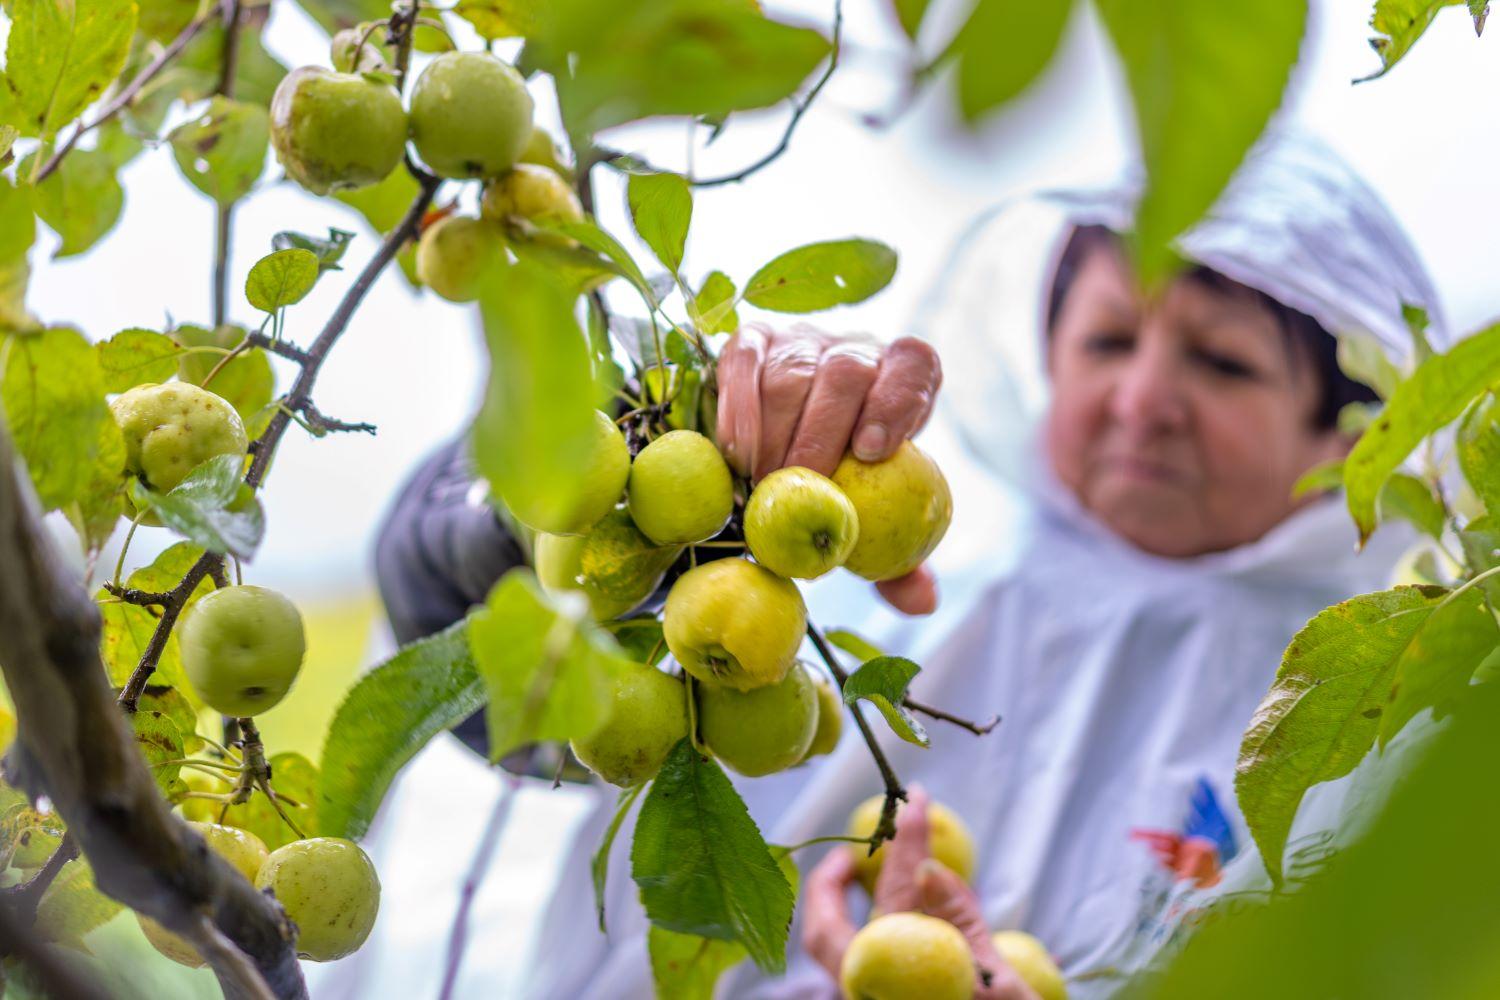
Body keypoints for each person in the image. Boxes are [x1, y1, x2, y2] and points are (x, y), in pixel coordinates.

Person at [370, 132, 1445, 998]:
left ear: (1345, 435)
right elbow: (485, 661)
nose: (1142, 401)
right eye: (1110, 340)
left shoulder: (1358, 732)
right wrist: (657, 463)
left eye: (1219, 360)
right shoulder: (868, 569)